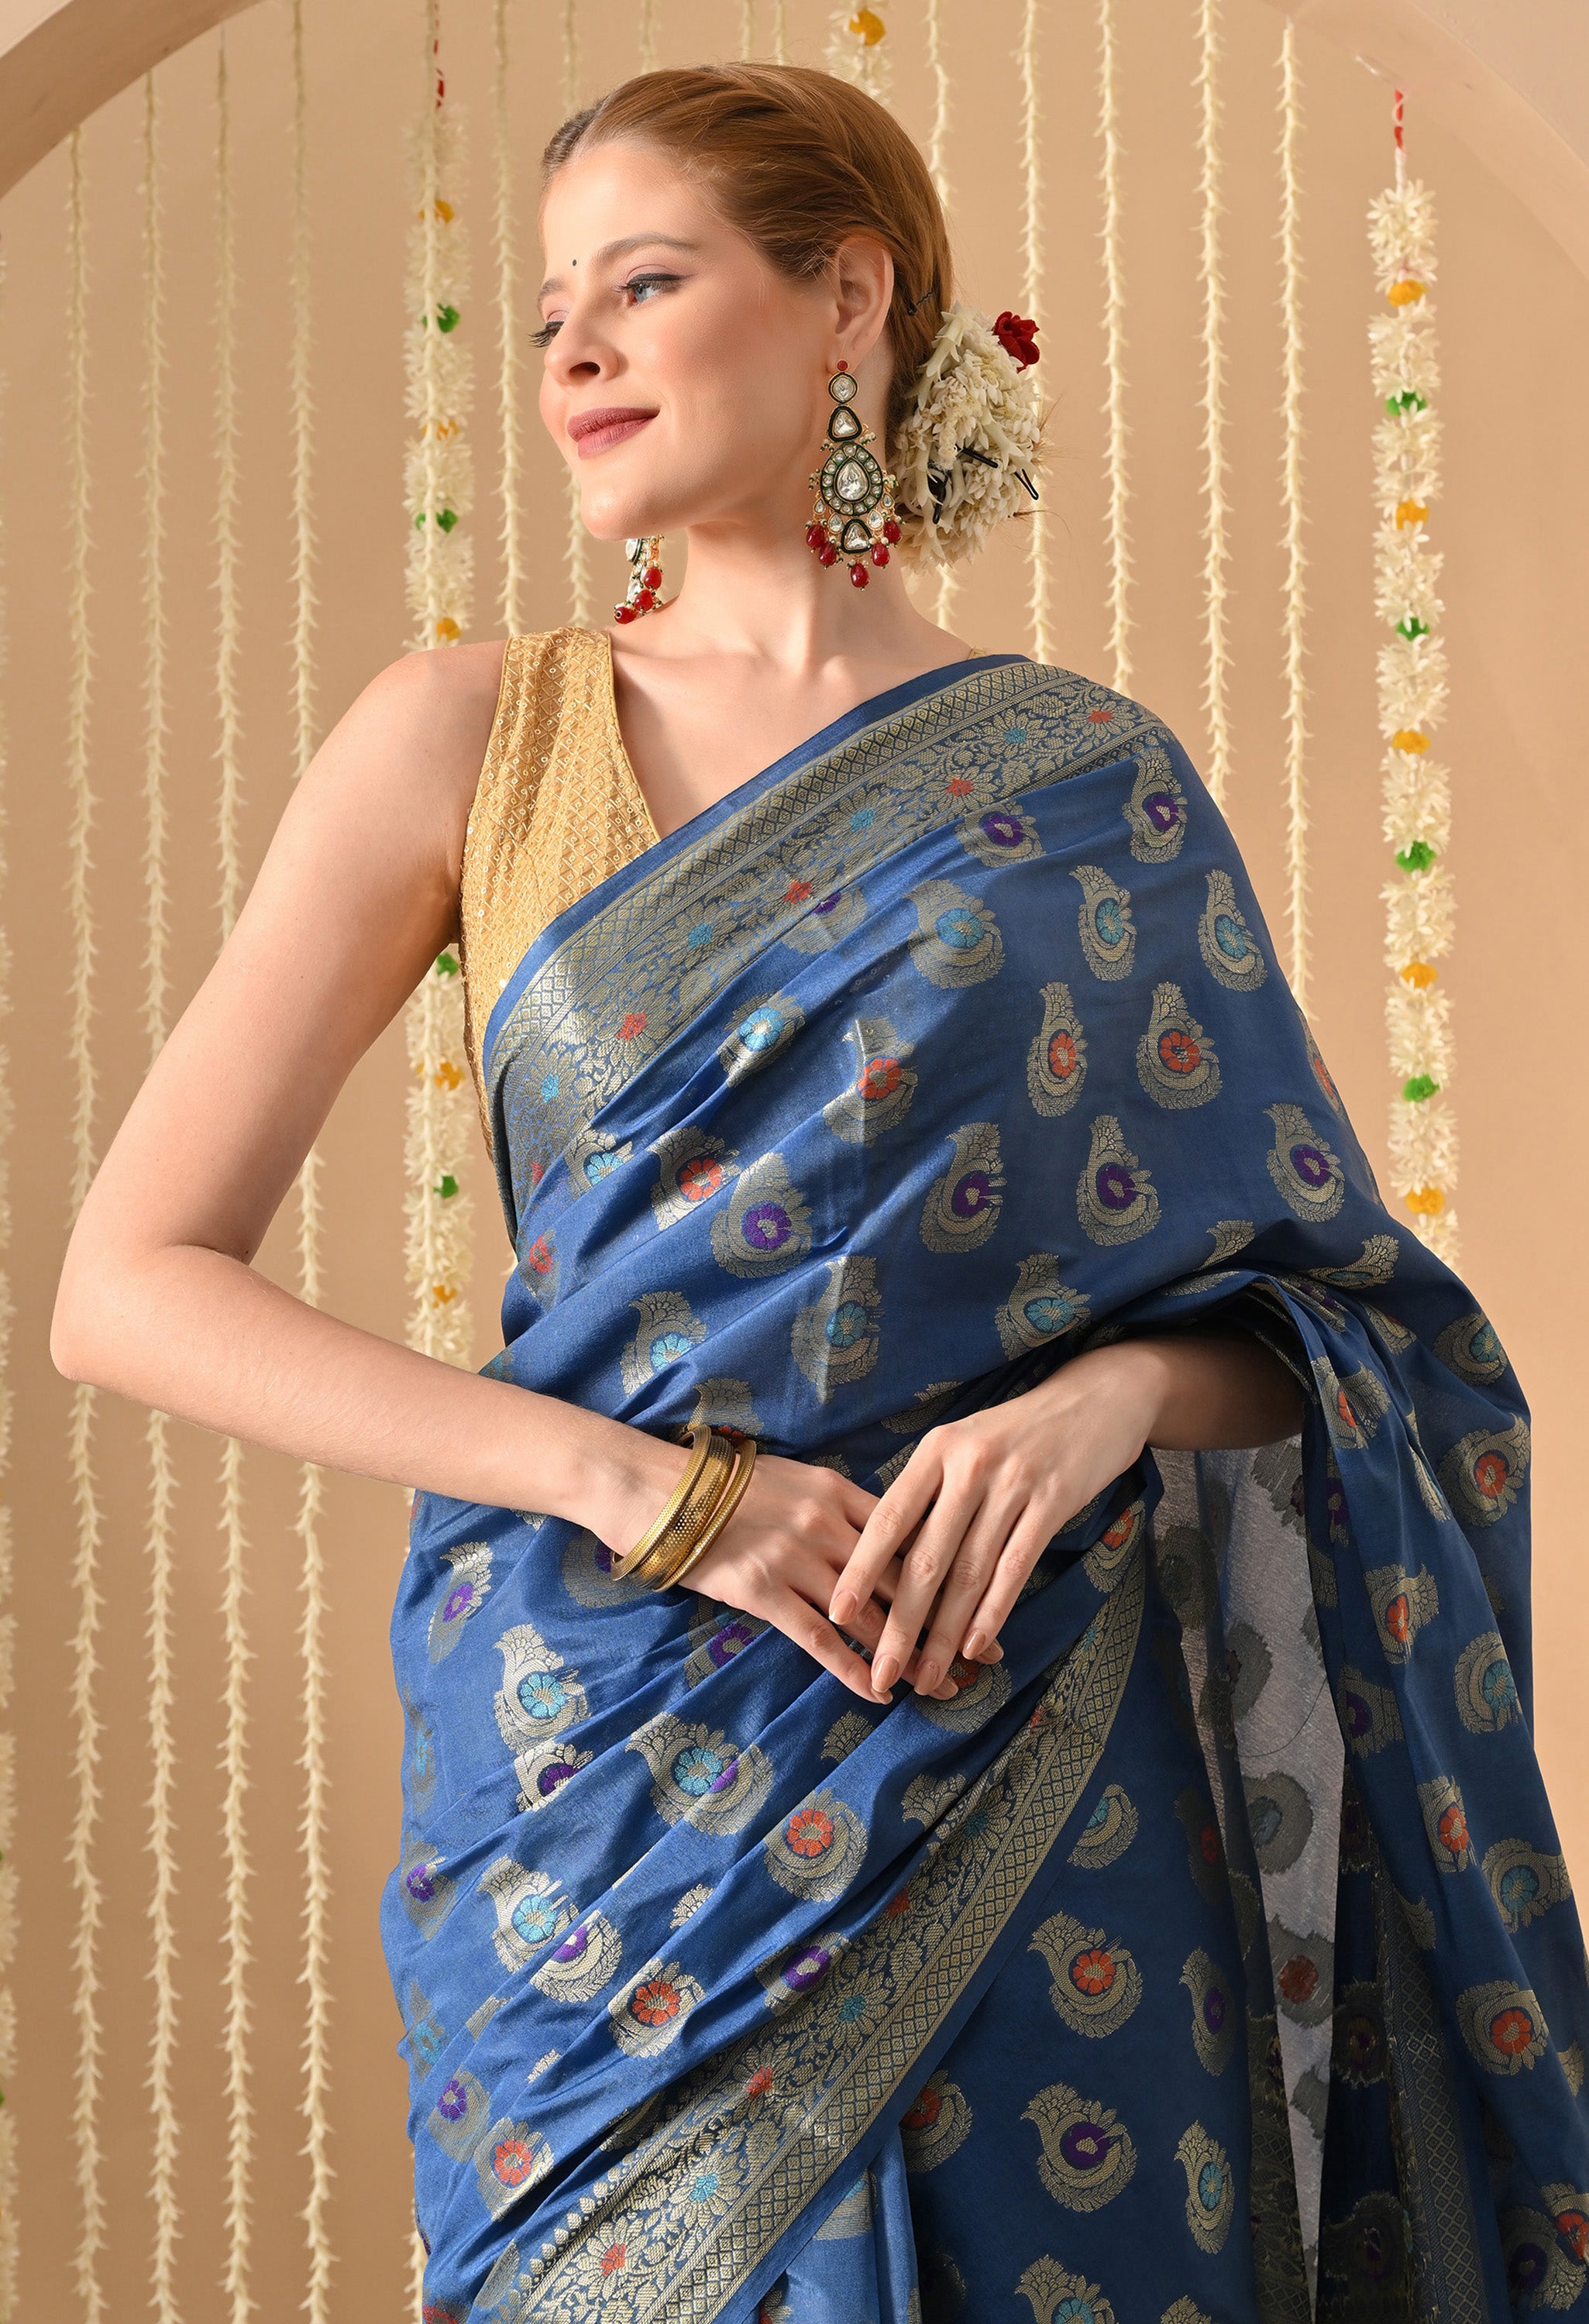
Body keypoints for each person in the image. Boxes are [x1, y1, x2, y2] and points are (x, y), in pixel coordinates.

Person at [51, 59, 1587, 2324]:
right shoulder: (474, 735)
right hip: (611, 1772)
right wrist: (645, 1495)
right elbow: (126, 1286)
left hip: (1028, 1706)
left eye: (642, 282)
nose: (566, 348)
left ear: (842, 297)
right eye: (551, 301)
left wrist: (1106, 1405)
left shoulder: (1083, 784)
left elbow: (1345, 1328)